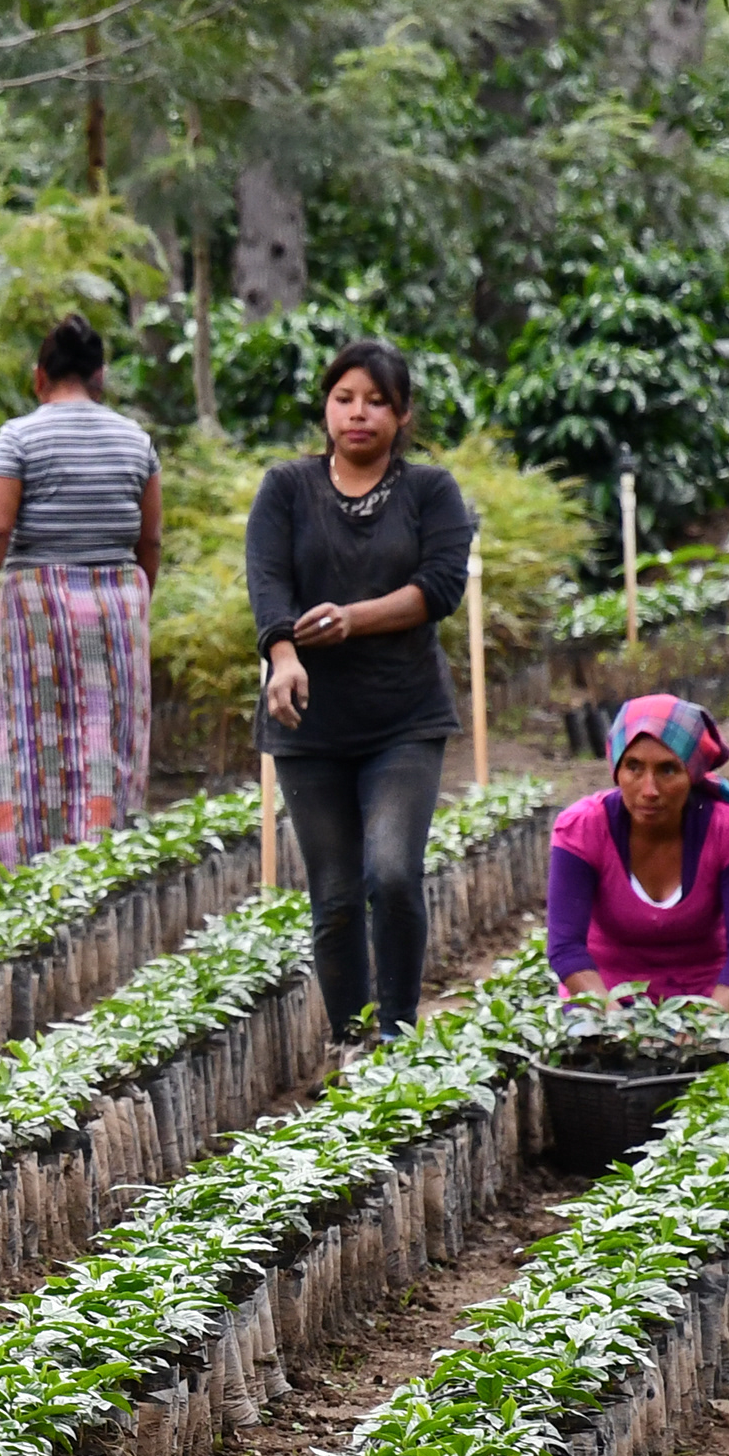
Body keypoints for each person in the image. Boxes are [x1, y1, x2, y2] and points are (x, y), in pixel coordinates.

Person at [247, 337, 477, 1037]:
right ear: (325, 406)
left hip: (403, 717)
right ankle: (352, 1043)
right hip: (308, 723)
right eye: (345, 398)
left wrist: (352, 620)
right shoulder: (286, 488)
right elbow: (267, 583)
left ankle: (397, 1034)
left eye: (376, 401)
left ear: (402, 415)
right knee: (338, 896)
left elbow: (437, 589)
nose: (358, 414)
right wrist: (284, 656)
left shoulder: (430, 492)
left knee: (394, 873)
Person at [0, 314, 162, 870]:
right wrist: (139, 605)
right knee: (104, 726)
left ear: (38, 376)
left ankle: (24, 861)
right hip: (116, 599)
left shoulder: (19, 436)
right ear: (100, 377)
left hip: (38, 603)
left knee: (23, 724)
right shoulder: (136, 439)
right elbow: (150, 538)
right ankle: (100, 855)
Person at [548, 695, 729, 1009]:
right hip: (605, 999)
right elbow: (565, 948)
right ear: (617, 770)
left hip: (706, 999)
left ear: (691, 775)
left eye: (667, 770)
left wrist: (708, 1021)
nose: (649, 789)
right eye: (634, 767)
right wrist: (616, 1022)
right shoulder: (581, 830)